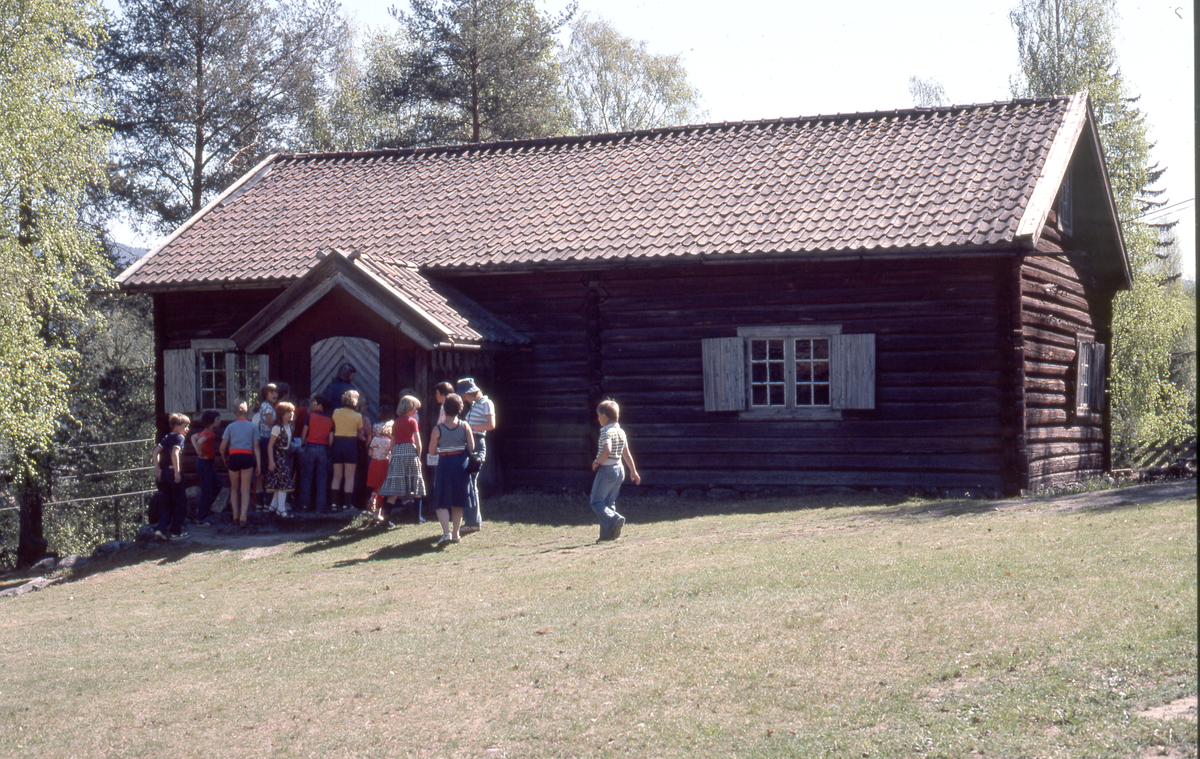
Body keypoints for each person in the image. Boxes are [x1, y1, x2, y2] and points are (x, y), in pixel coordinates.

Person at [589, 400, 641, 541]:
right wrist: (633, 471)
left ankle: (615, 519)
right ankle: (606, 536)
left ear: (605, 416)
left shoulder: (606, 431)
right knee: (608, 503)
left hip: (607, 469)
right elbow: (626, 453)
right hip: (620, 469)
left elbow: (607, 450)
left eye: (599, 415)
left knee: (596, 502)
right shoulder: (621, 432)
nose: (598, 418)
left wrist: (596, 462)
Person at [428, 393, 474, 546]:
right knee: (458, 501)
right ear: (460, 409)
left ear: (445, 408)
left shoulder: (438, 429)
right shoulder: (464, 425)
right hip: (461, 463)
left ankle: (446, 532)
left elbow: (432, 451)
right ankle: (456, 534)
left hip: (445, 463)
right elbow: (472, 447)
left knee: (441, 500)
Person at [379, 395, 427, 524]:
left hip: (398, 452)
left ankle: (386, 519)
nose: (416, 411)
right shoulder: (412, 421)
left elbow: (391, 443)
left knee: (396, 487)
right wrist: (419, 457)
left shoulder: (396, 422)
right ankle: (417, 517)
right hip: (410, 453)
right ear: (409, 408)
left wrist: (391, 453)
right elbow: (418, 442)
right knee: (416, 484)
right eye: (415, 408)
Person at [457, 378, 495, 535]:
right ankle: (473, 521)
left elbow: (491, 424)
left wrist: (469, 427)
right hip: (469, 443)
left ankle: (472, 522)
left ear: (469, 393)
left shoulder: (486, 403)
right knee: (468, 483)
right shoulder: (473, 405)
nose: (463, 399)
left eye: (464, 395)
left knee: (470, 484)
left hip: (477, 442)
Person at [220, 401, 260, 528]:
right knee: (245, 489)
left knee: (234, 488)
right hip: (247, 456)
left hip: (233, 456)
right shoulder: (253, 427)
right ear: (247, 411)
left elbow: (222, 447)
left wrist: (224, 458)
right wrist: (258, 464)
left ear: (235, 412)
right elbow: (256, 447)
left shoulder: (230, 427)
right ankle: (244, 517)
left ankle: (235, 515)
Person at [152, 413, 191, 541]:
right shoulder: (179, 437)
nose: (187, 430)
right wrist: (177, 472)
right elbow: (175, 453)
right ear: (177, 426)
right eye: (185, 426)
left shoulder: (167, 437)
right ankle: (175, 532)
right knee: (180, 503)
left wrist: (158, 469)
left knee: (168, 503)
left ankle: (161, 529)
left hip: (164, 473)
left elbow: (155, 452)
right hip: (173, 473)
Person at [330, 389, 364, 511]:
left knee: (337, 475)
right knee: (349, 476)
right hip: (350, 445)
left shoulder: (336, 412)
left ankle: (334, 504)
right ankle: (347, 504)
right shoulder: (358, 416)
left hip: (338, 444)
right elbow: (360, 429)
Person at [298, 394, 333, 512]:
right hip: (323, 449)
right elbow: (331, 439)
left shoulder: (310, 416)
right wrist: (328, 448)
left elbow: (304, 431)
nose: (312, 404)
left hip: (310, 447)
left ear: (320, 406)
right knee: (322, 479)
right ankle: (320, 506)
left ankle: (304, 505)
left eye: (314, 402)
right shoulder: (330, 420)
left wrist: (303, 443)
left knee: (307, 477)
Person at [189, 410, 222, 527]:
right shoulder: (210, 433)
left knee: (218, 484)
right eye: (217, 419)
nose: (219, 421)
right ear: (212, 422)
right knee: (206, 491)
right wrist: (200, 451)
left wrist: (198, 450)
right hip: (205, 463)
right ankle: (200, 518)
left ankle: (203, 510)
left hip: (205, 464)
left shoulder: (204, 432)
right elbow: (200, 441)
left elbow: (193, 437)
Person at [265, 401, 296, 517]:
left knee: (280, 481)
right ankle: (281, 509)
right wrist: (271, 461)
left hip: (284, 456)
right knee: (284, 482)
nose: (291, 414)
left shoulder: (288, 427)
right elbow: (270, 445)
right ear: (282, 414)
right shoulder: (277, 428)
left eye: (292, 412)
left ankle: (273, 506)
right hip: (277, 457)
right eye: (288, 412)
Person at [253, 383, 278, 510]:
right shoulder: (267, 407)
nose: (275, 395)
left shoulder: (266, 406)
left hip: (264, 440)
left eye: (275, 392)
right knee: (266, 471)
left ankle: (262, 504)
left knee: (264, 472)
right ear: (265, 394)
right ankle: (264, 504)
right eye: (271, 392)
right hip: (267, 441)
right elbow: (271, 425)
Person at [365, 420, 393, 521]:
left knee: (376, 484)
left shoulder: (375, 439)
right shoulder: (389, 441)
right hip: (383, 464)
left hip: (374, 463)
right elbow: (390, 453)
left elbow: (369, 453)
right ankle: (377, 513)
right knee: (382, 488)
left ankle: (372, 499)